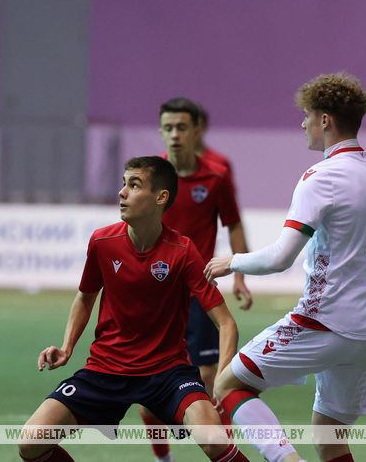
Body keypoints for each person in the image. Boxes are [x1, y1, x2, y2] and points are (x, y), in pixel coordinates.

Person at [206, 73, 366, 462]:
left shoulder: (321, 177)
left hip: (323, 321)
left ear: (325, 120)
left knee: (229, 385)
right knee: (329, 438)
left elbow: (279, 258)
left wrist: (231, 261)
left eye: (306, 115)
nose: (303, 124)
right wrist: (365, 290)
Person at [18, 156, 248, 462]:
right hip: (105, 369)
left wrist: (221, 378)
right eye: (123, 183)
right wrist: (67, 347)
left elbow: (226, 323)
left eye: (134, 185)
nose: (122, 192)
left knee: (215, 441)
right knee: (31, 442)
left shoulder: (182, 251)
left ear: (160, 197)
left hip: (168, 373)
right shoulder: (102, 241)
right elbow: (85, 297)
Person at [140, 98, 253, 462]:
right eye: (168, 128)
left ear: (196, 131)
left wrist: (240, 275)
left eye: (182, 127)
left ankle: (225, 454)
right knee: (146, 393)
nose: (175, 135)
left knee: (210, 381)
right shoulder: (148, 179)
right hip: (156, 298)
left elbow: (233, 224)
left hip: (198, 293)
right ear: (161, 132)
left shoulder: (215, 178)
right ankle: (164, 458)